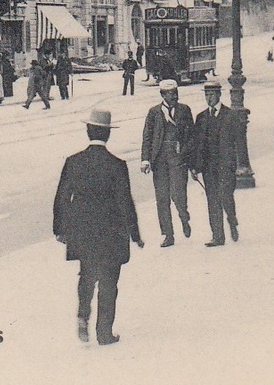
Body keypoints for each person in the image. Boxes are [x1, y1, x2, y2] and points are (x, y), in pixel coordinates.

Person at [52, 107, 143, 345]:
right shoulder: (117, 165)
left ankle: (83, 315)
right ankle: (104, 332)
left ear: (87, 131)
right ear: (107, 135)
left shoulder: (74, 162)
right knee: (109, 281)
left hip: (83, 231)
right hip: (111, 232)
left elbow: (62, 197)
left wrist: (60, 229)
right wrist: (135, 233)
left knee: (87, 273)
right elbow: (125, 202)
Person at [140, 79, 195, 246]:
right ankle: (168, 235)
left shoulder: (184, 110)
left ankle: (184, 218)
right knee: (162, 199)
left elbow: (191, 136)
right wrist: (145, 159)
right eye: (171, 94)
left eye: (176, 93)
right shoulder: (154, 112)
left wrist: (185, 152)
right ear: (163, 95)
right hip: (159, 161)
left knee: (178, 196)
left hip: (178, 159)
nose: (175, 96)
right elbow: (147, 137)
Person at [190, 76, 241, 246]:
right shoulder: (201, 117)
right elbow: (197, 145)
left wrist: (238, 165)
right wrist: (195, 168)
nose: (209, 98)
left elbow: (238, 142)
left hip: (226, 167)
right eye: (206, 95)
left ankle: (232, 221)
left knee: (226, 197)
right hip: (209, 168)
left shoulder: (230, 115)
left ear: (219, 95)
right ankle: (218, 236)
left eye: (212, 95)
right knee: (212, 200)